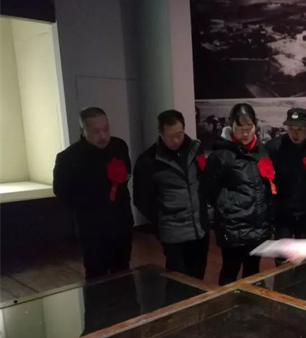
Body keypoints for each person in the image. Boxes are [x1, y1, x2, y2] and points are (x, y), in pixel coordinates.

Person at [53, 107, 133, 280]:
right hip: (92, 227)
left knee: (123, 271)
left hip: (121, 222)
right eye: (96, 131)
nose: (103, 136)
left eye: (106, 129)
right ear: (83, 131)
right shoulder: (68, 158)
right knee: (96, 273)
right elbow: (62, 192)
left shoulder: (119, 146)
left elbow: (126, 175)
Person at [133, 110, 209, 279]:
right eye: (170, 136)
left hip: (199, 229)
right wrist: (163, 217)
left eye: (179, 134)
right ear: (160, 133)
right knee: (178, 279)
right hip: (173, 232)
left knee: (199, 277)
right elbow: (141, 199)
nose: (176, 140)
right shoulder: (148, 160)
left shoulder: (195, 148)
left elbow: (202, 181)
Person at [205, 103, 275, 285]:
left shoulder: (261, 150)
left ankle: (250, 304)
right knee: (230, 273)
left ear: (255, 126)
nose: (245, 134)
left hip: (257, 227)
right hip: (233, 228)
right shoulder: (220, 156)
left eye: (249, 128)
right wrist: (227, 211)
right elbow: (210, 191)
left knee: (253, 274)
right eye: (240, 128)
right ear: (231, 125)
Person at [266, 108, 306, 265]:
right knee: (282, 260)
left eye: (300, 129)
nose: (295, 134)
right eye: (291, 129)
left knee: (304, 259)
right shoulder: (274, 147)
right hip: (282, 213)